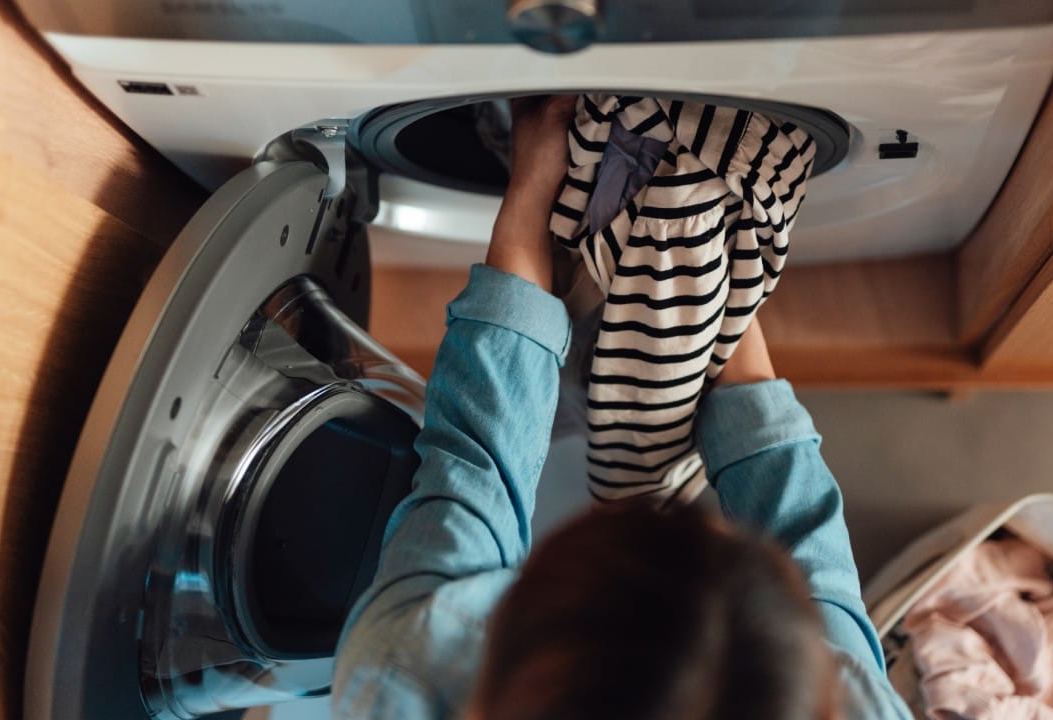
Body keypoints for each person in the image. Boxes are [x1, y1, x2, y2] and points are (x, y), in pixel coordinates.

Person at [333, 96, 910, 719]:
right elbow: (807, 549)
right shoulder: (846, 703)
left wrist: (532, 183)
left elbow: (476, 466)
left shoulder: (406, 672)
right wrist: (706, 281)